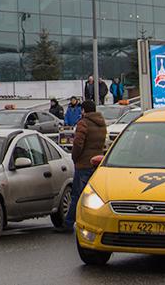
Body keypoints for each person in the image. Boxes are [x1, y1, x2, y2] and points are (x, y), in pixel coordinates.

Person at [64, 99, 107, 232]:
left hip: (83, 164)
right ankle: (94, 223)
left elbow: (78, 143)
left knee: (77, 195)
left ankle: (68, 223)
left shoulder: (83, 123)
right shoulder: (101, 123)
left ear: (83, 110)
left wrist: (75, 158)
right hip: (97, 163)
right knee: (94, 196)